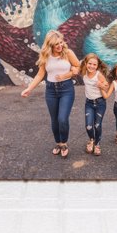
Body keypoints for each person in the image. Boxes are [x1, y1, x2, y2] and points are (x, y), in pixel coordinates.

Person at [21, 30, 80, 158]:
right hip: (51, 90)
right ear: (50, 45)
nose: (60, 46)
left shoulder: (68, 53)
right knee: (54, 119)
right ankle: (58, 143)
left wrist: (69, 74)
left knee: (62, 119)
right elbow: (40, 74)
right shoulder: (45, 56)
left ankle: (64, 142)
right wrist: (29, 89)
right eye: (56, 44)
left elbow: (78, 67)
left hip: (66, 89)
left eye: (61, 42)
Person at [79, 53, 109, 156]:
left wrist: (101, 85)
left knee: (97, 125)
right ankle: (91, 140)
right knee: (88, 126)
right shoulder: (83, 73)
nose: (92, 66)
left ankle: (97, 144)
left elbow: (106, 86)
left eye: (94, 65)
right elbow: (74, 67)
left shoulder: (98, 75)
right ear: (86, 63)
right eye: (90, 63)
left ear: (97, 66)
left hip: (100, 103)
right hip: (89, 103)